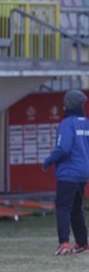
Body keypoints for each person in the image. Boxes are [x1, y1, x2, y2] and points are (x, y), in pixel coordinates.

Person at [42, 89, 89, 256]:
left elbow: (64, 147)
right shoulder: (86, 122)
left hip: (68, 172)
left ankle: (63, 243)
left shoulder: (67, 123)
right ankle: (82, 242)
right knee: (76, 207)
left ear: (67, 105)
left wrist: (48, 161)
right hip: (84, 172)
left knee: (63, 207)